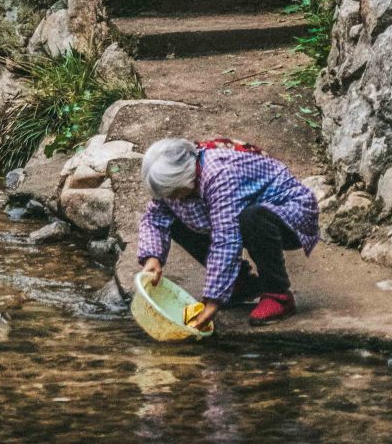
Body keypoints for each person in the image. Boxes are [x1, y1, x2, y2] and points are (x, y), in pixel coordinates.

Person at [136, 136, 319, 327]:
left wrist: (213, 300)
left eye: (173, 193)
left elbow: (226, 240)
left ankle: (278, 294)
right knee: (174, 215)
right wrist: (152, 258)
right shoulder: (178, 178)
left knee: (252, 217)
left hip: (291, 215)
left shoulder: (219, 174)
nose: (172, 198)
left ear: (184, 177)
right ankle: (241, 284)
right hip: (242, 212)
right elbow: (154, 217)